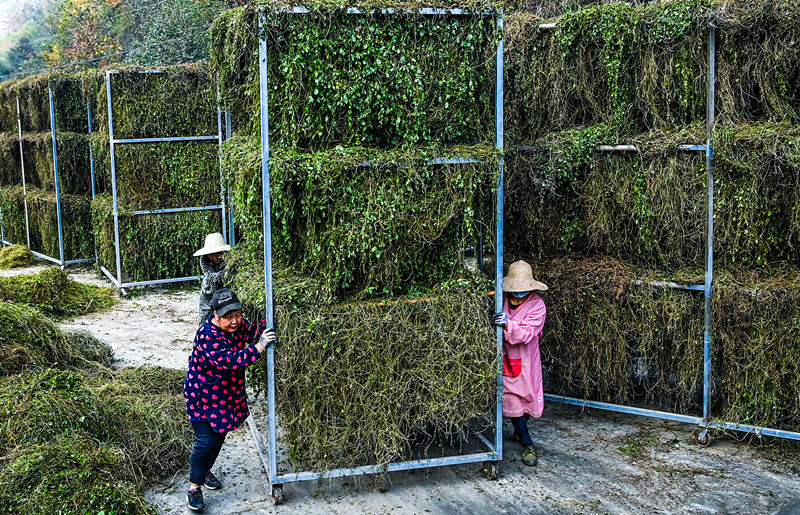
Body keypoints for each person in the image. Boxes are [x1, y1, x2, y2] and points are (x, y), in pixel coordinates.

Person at [184, 287, 276, 511]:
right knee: (205, 442)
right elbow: (231, 361)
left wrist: (270, 319)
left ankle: (205, 471)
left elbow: (252, 331)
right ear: (215, 315)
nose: (234, 321)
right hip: (203, 396)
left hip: (225, 396)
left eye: (238, 315)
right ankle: (194, 487)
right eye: (228, 317)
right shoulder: (207, 335)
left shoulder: (236, 325)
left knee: (218, 438)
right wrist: (259, 346)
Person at [491, 260, 547, 467]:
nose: (517, 293)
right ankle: (527, 444)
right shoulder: (501, 299)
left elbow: (525, 334)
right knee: (512, 401)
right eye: (515, 289)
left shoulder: (537, 306)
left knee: (525, 399)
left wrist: (508, 323)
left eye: (522, 289)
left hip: (524, 360)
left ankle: (521, 432)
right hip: (503, 357)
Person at [194, 232, 231, 326]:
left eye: (217, 253)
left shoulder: (231, 260)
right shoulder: (204, 260)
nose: (214, 257)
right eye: (211, 254)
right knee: (205, 322)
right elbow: (211, 276)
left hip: (227, 292)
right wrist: (222, 275)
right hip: (208, 293)